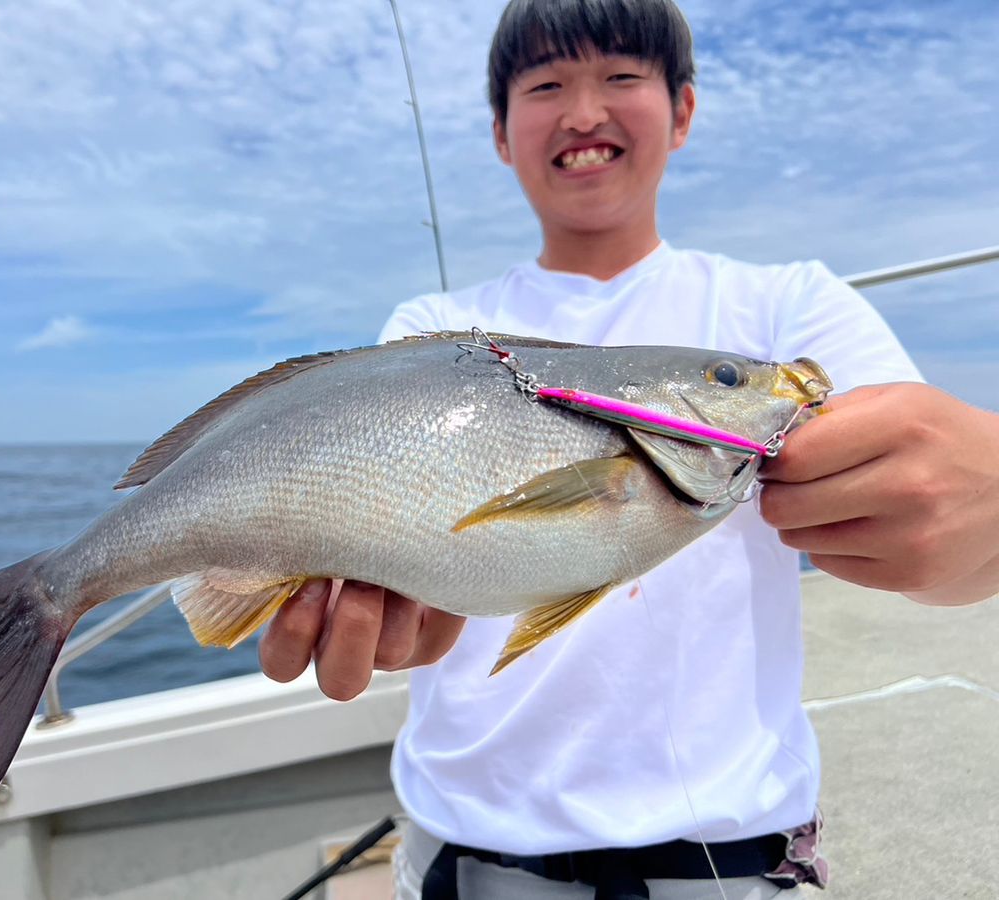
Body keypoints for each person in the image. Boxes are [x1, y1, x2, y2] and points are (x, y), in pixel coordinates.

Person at [258, 1, 999, 896]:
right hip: (466, 856)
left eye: (620, 77)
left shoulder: (787, 308)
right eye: (545, 87)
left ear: (682, 110)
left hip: (726, 865)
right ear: (500, 133)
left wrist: (978, 506)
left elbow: (939, 539)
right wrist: (366, 600)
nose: (582, 113)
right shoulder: (432, 329)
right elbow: (389, 530)